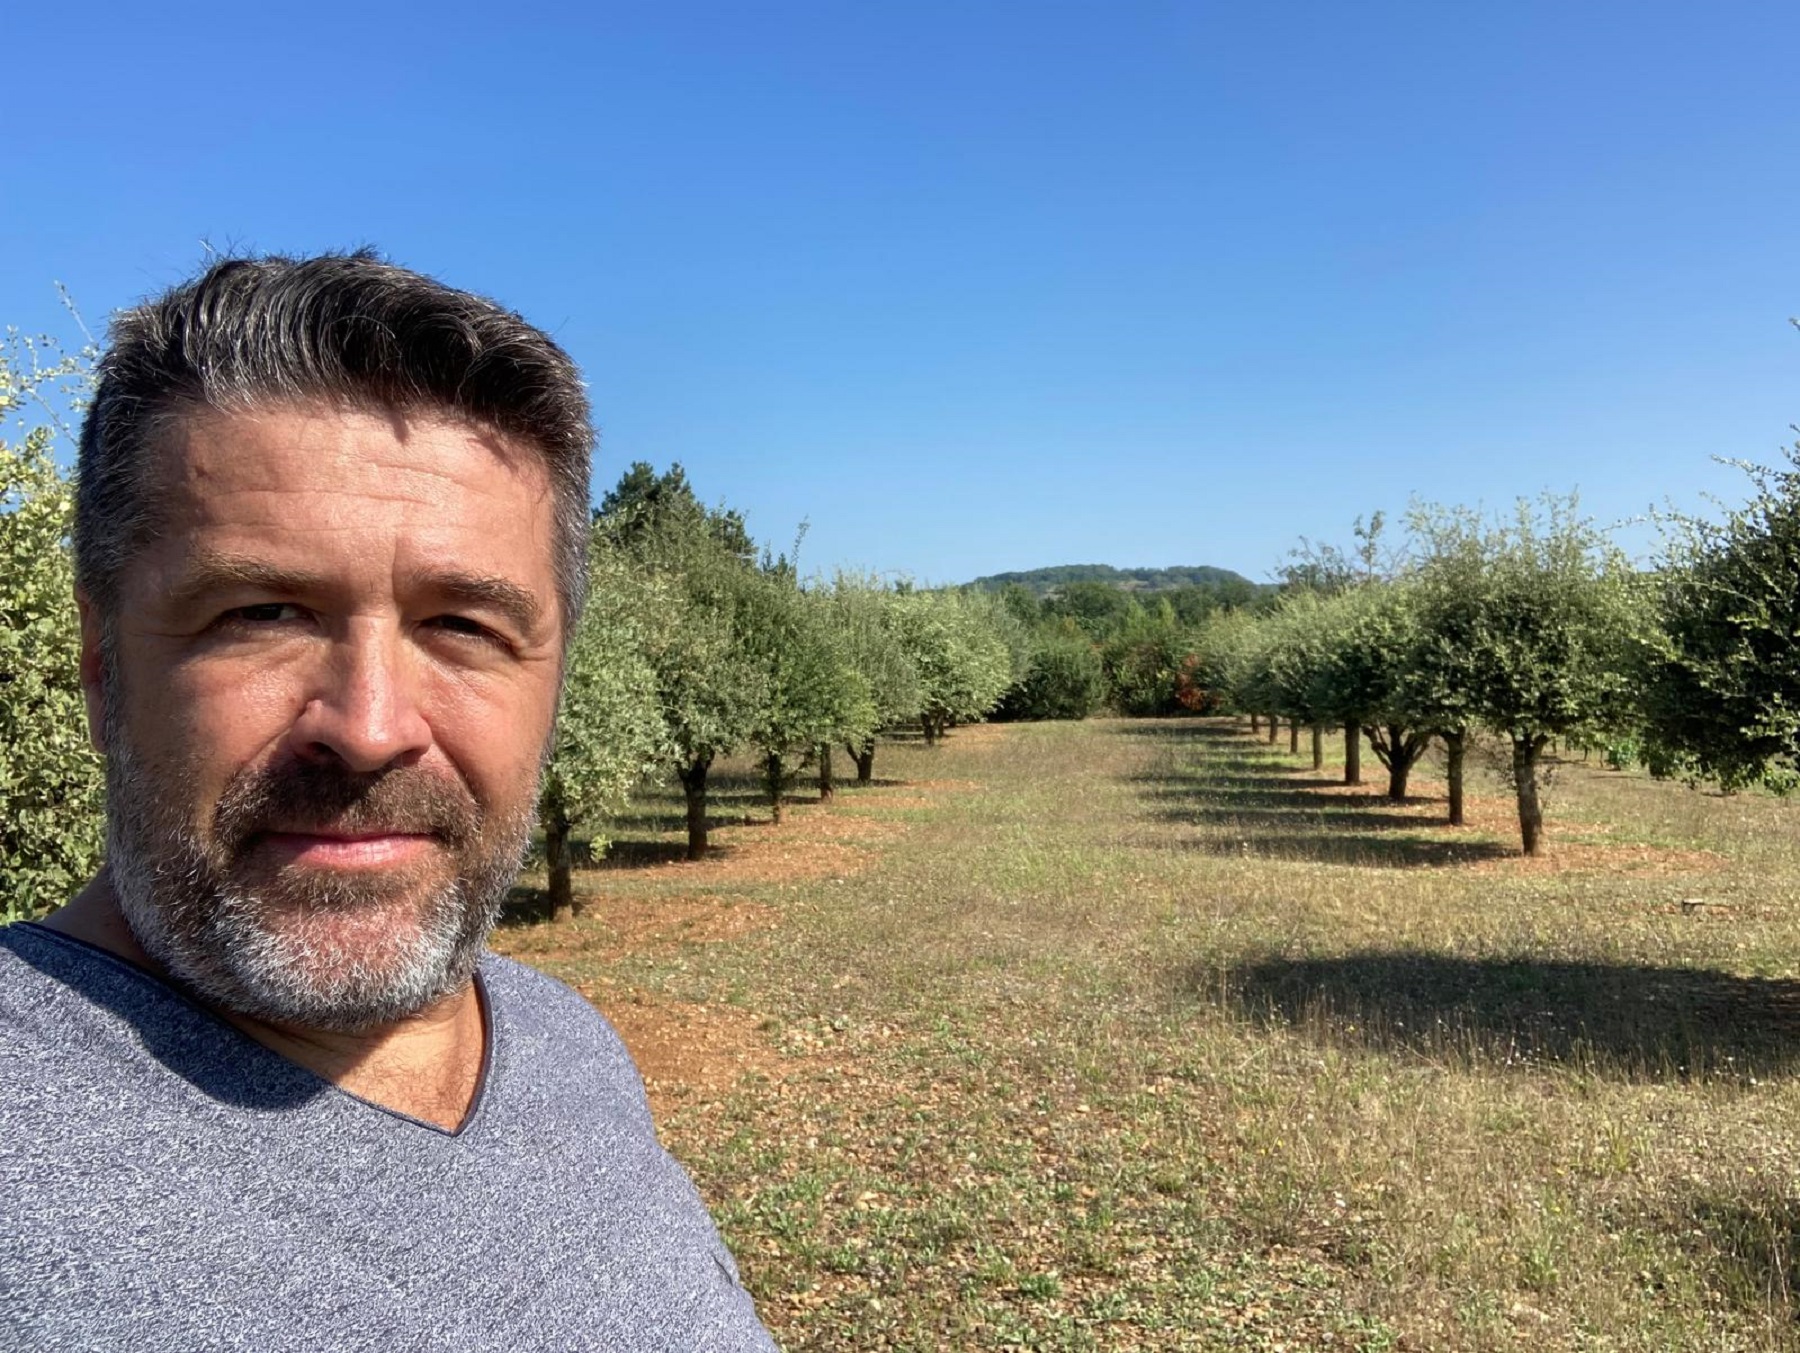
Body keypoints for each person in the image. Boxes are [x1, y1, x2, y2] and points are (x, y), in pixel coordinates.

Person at [0, 253, 780, 1351]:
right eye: (261, 612)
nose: (369, 728)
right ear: (99, 658)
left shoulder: (567, 1043)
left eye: (464, 626)